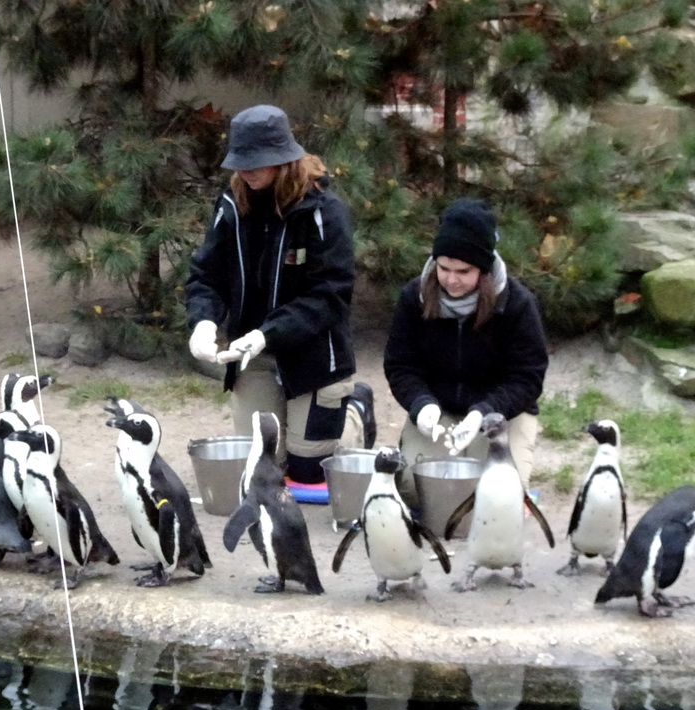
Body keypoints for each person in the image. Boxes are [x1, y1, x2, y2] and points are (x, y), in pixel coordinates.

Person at [185, 104, 375, 486]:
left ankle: (354, 413)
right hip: (249, 355)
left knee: (311, 473)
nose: (244, 172)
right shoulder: (230, 206)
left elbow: (330, 296)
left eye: (255, 163)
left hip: (313, 356)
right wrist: (203, 322)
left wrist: (267, 333)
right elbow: (206, 274)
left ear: (284, 160)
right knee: (261, 468)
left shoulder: (324, 211)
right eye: (240, 162)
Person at [383, 198, 549, 508]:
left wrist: (484, 412)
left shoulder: (517, 304)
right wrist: (421, 405)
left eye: (463, 270)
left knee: (499, 494)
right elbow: (400, 364)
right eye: (443, 268)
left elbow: (527, 378)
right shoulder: (413, 297)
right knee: (414, 489)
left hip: (500, 412)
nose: (451, 279)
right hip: (439, 408)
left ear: (483, 270)